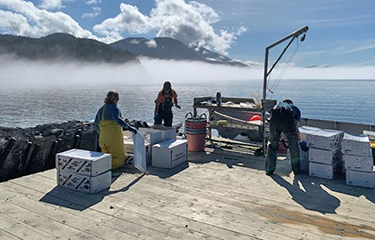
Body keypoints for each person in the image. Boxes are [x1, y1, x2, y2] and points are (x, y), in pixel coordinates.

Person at [94, 90, 137, 170]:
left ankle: (102, 170)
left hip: (103, 137)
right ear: (116, 99)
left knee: (105, 157)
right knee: (119, 159)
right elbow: (117, 119)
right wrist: (129, 127)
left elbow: (95, 124)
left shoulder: (101, 109)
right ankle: (106, 169)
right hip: (113, 137)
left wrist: (101, 132)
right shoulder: (114, 107)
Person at [265, 99, 301, 175]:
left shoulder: (276, 106)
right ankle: (296, 170)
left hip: (274, 121)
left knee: (272, 145)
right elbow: (296, 126)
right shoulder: (295, 108)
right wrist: (297, 138)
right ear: (291, 103)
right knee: (293, 146)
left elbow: (270, 120)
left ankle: (269, 169)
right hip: (287, 121)